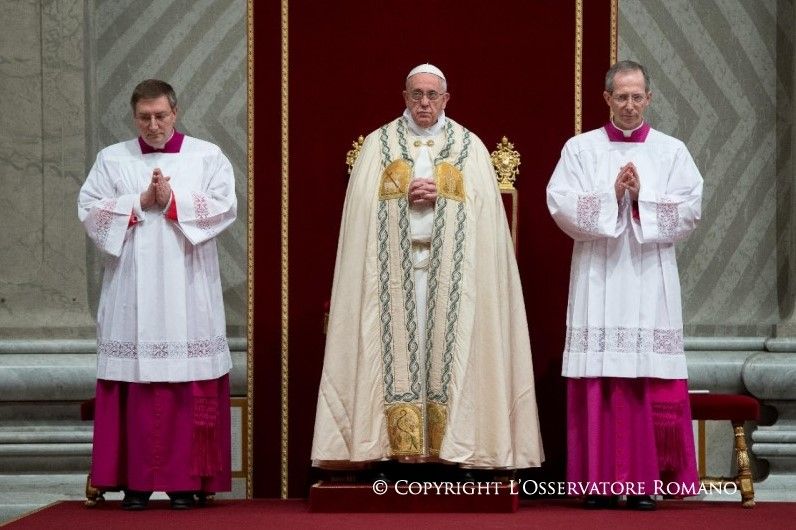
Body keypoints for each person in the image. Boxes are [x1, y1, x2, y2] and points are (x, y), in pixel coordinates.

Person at [311, 64, 543, 477]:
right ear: (404, 96)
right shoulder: (377, 146)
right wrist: (398, 197)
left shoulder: (469, 147)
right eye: (416, 94)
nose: (424, 103)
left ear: (446, 99)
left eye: (432, 95)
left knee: (453, 352)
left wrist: (447, 196)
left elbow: (487, 218)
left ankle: (460, 449)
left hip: (453, 278)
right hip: (392, 280)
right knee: (392, 353)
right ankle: (384, 451)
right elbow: (361, 216)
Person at [547, 60, 702, 510]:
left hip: (648, 280)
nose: (630, 105)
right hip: (599, 276)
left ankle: (642, 484)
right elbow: (559, 204)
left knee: (642, 375)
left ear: (649, 99)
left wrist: (642, 200)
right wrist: (612, 196)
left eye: (637, 97)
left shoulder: (672, 151)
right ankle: (594, 483)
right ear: (607, 99)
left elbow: (691, 210)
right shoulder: (580, 149)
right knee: (599, 373)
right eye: (622, 97)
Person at [78, 79, 236, 510]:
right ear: (134, 117)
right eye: (144, 117)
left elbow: (225, 205)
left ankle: (188, 483)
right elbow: (89, 210)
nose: (153, 125)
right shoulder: (113, 159)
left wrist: (173, 202)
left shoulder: (206, 156)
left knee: (189, 384)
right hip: (132, 290)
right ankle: (134, 483)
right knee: (133, 384)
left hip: (188, 289)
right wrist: (139, 200)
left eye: (160, 116)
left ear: (175, 112)